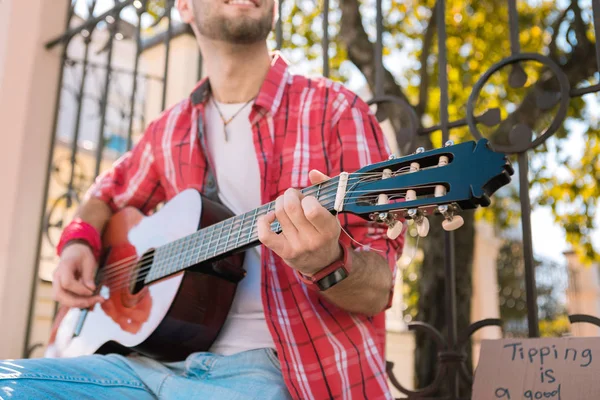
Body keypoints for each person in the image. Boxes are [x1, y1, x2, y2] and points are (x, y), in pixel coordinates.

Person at [0, 0, 404, 398]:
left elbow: (376, 289)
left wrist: (328, 262)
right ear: (184, 7)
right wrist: (79, 238)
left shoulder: (336, 112)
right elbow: (106, 192)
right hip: (144, 363)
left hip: (275, 373)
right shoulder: (170, 128)